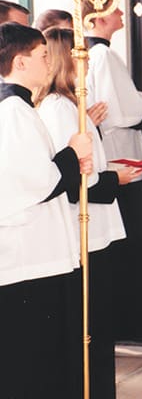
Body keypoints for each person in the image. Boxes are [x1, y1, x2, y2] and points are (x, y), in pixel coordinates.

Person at [36, 26, 138, 399]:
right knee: (90, 325)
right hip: (86, 232)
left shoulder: (67, 106)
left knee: (98, 322)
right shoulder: (60, 108)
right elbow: (81, 179)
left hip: (94, 229)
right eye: (82, 61)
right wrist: (118, 179)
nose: (88, 70)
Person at [0, 22, 92, 397]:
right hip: (27, 257)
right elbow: (36, 182)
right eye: (42, 57)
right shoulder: (12, 112)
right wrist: (74, 153)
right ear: (20, 63)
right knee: (33, 359)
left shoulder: (20, 108)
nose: (49, 64)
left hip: (34, 253)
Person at [83, 0, 142, 339]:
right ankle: (134, 321)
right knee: (129, 239)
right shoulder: (103, 56)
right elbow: (124, 113)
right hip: (118, 161)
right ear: (96, 18)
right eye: (114, 10)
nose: (121, 14)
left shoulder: (99, 55)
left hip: (114, 156)